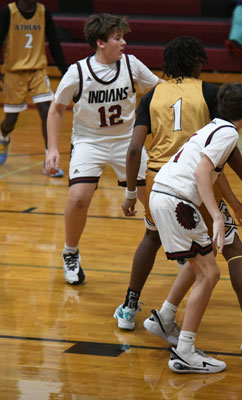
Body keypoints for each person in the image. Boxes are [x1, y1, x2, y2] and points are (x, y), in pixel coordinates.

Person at [113, 36, 242, 354]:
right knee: (231, 248)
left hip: (157, 180)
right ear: (197, 62)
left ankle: (129, 306)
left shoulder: (151, 95)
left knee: (155, 240)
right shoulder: (209, 92)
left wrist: (130, 191)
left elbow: (135, 148)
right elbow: (223, 144)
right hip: (194, 182)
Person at [45, 13, 161, 285]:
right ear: (100, 42)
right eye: (118, 38)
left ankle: (176, 243)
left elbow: (160, 89)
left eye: (123, 38)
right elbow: (56, 109)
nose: (124, 43)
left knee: (155, 199)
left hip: (126, 142)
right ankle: (70, 252)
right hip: (89, 141)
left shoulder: (131, 64)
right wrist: (52, 148)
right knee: (78, 198)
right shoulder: (78, 72)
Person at [150, 82, 242, 373]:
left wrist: (234, 204)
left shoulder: (212, 127)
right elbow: (202, 171)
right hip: (177, 200)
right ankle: (185, 351)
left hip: (161, 193)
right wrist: (216, 215)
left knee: (198, 260)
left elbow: (214, 172)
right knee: (210, 273)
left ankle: (165, 318)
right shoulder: (230, 133)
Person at [0, 0, 67, 175]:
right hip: (14, 72)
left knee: (46, 110)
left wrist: (64, 70)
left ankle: (49, 160)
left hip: (38, 70)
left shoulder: (43, 12)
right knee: (10, 121)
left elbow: (54, 42)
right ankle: (4, 137)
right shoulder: (9, 12)